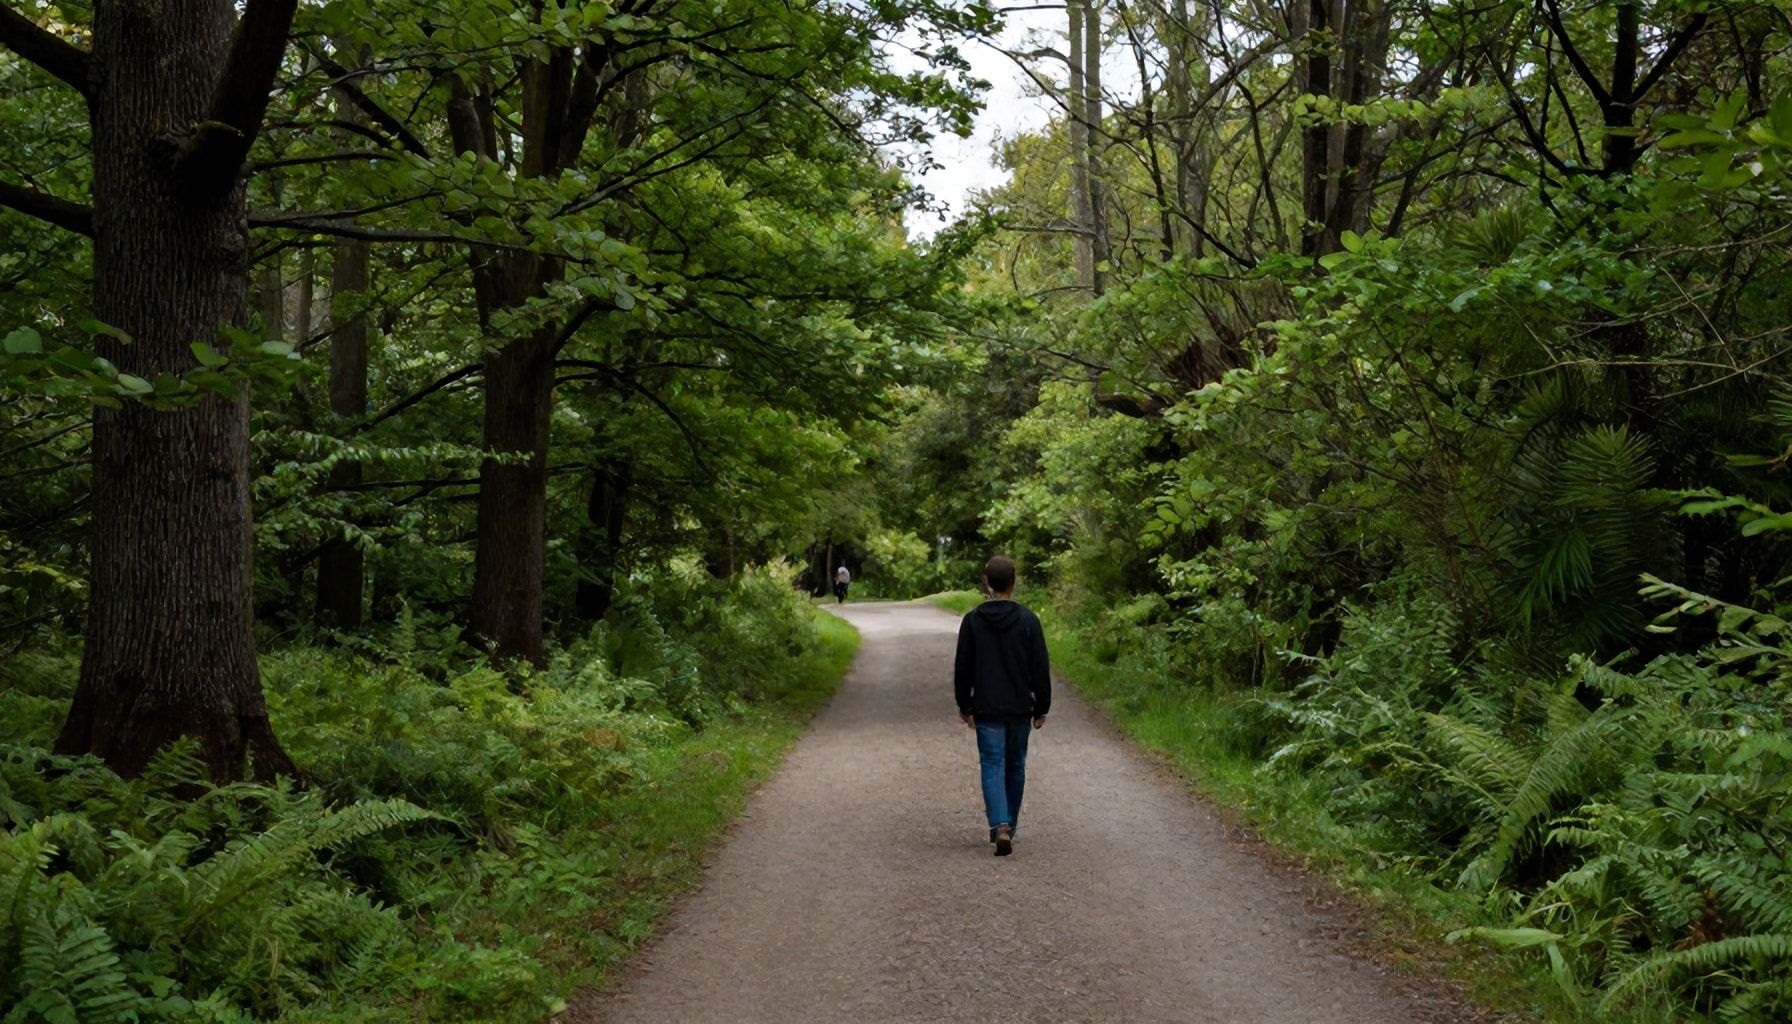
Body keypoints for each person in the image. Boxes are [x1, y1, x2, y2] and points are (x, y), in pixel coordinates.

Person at [953, 555, 1050, 856]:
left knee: (992, 762)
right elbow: (1040, 667)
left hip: (987, 707)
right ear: (1013, 581)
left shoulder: (973, 621)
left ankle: (1000, 824)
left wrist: (965, 705)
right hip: (1019, 707)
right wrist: (1042, 707)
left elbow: (963, 668)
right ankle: (1011, 824)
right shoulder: (1028, 621)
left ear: (987, 582)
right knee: (1016, 764)